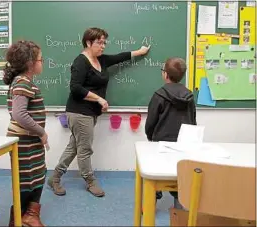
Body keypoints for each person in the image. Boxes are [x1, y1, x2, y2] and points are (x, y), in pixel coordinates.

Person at [47, 27, 150, 197]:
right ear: (88, 42)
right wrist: (99, 99)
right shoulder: (80, 61)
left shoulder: (101, 60)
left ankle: (55, 178)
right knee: (85, 149)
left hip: (89, 113)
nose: (103, 46)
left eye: (104, 42)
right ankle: (90, 181)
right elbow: (75, 88)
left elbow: (120, 57)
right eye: (99, 42)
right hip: (79, 112)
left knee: (74, 147)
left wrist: (140, 52)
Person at [3, 40, 48, 227]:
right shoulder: (22, 82)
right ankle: (18, 218)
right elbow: (19, 114)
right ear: (30, 63)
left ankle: (30, 214)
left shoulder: (25, 82)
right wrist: (41, 132)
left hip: (30, 141)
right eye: (40, 59)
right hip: (24, 142)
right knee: (25, 179)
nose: (42, 62)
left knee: (38, 175)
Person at [145, 57, 197, 207]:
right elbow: (193, 120)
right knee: (180, 175)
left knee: (155, 172)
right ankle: (180, 205)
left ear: (165, 75)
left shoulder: (159, 95)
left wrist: (151, 137)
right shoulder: (189, 96)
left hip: (161, 143)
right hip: (184, 143)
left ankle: (150, 204)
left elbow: (151, 122)